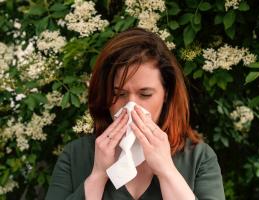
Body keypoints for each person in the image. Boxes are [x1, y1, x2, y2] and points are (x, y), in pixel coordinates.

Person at [45, 27, 225, 200]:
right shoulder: (76, 155)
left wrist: (167, 172)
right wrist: (98, 175)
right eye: (119, 94)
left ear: (166, 94)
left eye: (145, 94)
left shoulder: (198, 158)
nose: (131, 106)